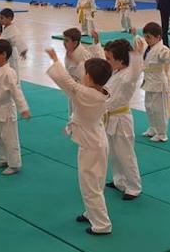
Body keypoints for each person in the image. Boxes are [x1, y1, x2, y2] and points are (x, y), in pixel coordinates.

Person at [45, 46, 113, 235]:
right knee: (96, 182)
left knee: (90, 184)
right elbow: (75, 82)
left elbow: (68, 83)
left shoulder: (86, 94)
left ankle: (101, 224)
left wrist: (55, 60)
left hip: (91, 144)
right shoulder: (102, 91)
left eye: (85, 73)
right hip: (97, 139)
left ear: (89, 78)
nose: (82, 76)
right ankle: (92, 213)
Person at [103, 38, 143, 200]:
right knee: (113, 153)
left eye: (109, 59)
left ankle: (134, 187)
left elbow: (136, 71)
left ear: (120, 60)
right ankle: (119, 180)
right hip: (110, 118)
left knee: (125, 154)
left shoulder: (128, 75)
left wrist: (136, 55)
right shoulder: (116, 72)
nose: (106, 62)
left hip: (122, 119)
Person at [0, 39, 30, 175]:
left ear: (4, 54)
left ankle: (14, 164)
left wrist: (23, 108)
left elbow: (16, 91)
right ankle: (3, 159)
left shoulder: (9, 72)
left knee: (10, 138)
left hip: (6, 108)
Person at [138, 22, 170, 142]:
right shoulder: (148, 47)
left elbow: (167, 56)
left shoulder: (162, 49)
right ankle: (153, 128)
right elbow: (140, 43)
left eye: (149, 37)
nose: (146, 39)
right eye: (145, 36)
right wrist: (135, 35)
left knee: (159, 109)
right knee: (149, 107)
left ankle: (161, 133)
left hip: (159, 83)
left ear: (158, 37)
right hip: (148, 81)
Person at [0, 8, 28, 81]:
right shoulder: (6, 28)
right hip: (5, 53)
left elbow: (18, 40)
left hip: (11, 54)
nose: (0, 20)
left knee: (13, 71)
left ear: (9, 19)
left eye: (2, 18)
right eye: (0, 18)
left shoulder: (13, 29)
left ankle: (15, 86)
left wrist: (23, 51)